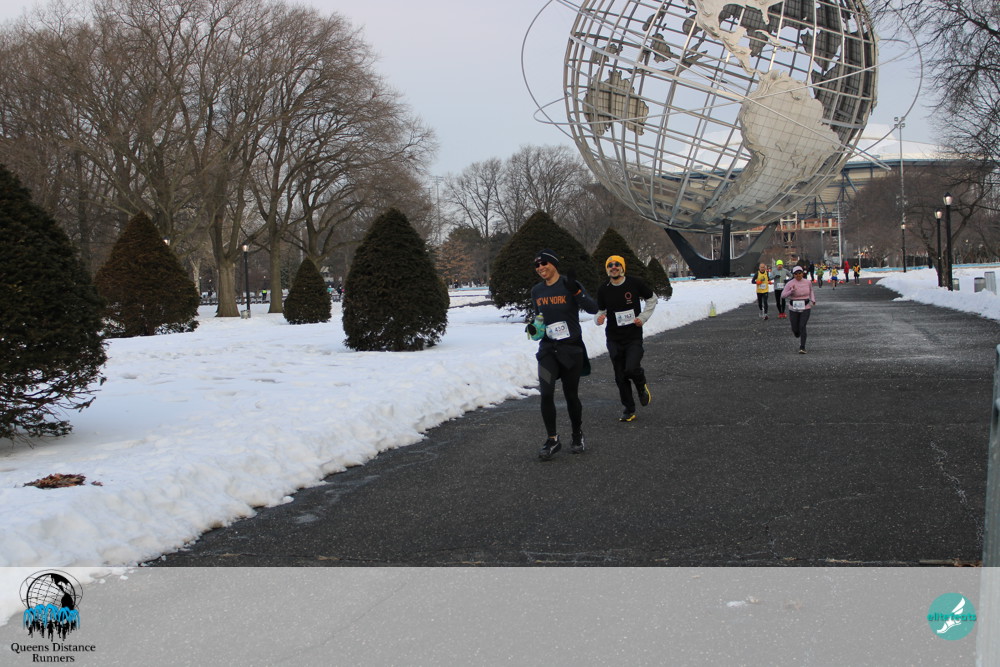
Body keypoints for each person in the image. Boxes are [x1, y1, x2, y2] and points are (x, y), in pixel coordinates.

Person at [527, 249, 599, 460]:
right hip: (548, 351)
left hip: (571, 350)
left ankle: (577, 435)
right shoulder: (537, 291)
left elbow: (593, 308)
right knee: (546, 393)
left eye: (544, 263)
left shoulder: (569, 284)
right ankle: (552, 439)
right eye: (537, 265)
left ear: (554, 264)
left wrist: (577, 292)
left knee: (571, 395)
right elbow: (539, 318)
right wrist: (535, 328)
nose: (540, 268)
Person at [595, 255, 658, 423]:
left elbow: (652, 299)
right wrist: (598, 319)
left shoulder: (634, 283)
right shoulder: (603, 289)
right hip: (613, 338)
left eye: (617, 264)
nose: (613, 267)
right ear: (607, 269)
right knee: (620, 376)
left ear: (622, 267)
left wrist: (643, 318)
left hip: (633, 337)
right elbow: (601, 311)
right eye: (610, 265)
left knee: (631, 368)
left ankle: (641, 384)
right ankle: (629, 409)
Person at [780, 265, 817, 354]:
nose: (798, 275)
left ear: (802, 273)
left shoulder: (808, 282)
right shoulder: (790, 283)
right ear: (793, 275)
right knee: (795, 328)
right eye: (796, 274)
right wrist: (791, 291)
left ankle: (802, 347)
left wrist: (813, 299)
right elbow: (783, 295)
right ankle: (797, 333)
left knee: (802, 326)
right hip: (794, 307)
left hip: (805, 306)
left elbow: (811, 291)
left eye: (800, 273)